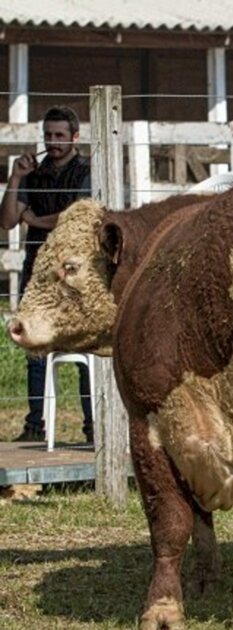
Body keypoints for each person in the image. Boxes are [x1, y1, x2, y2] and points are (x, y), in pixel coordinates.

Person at [0, 106, 93, 443]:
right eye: (49, 136)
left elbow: (75, 217)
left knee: (87, 346)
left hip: (75, 271)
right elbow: (8, 220)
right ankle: (34, 425)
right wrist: (15, 178)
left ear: (74, 137)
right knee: (33, 346)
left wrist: (35, 220)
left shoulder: (87, 172)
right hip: (36, 268)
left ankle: (92, 429)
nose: (53, 142)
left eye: (59, 136)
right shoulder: (33, 173)